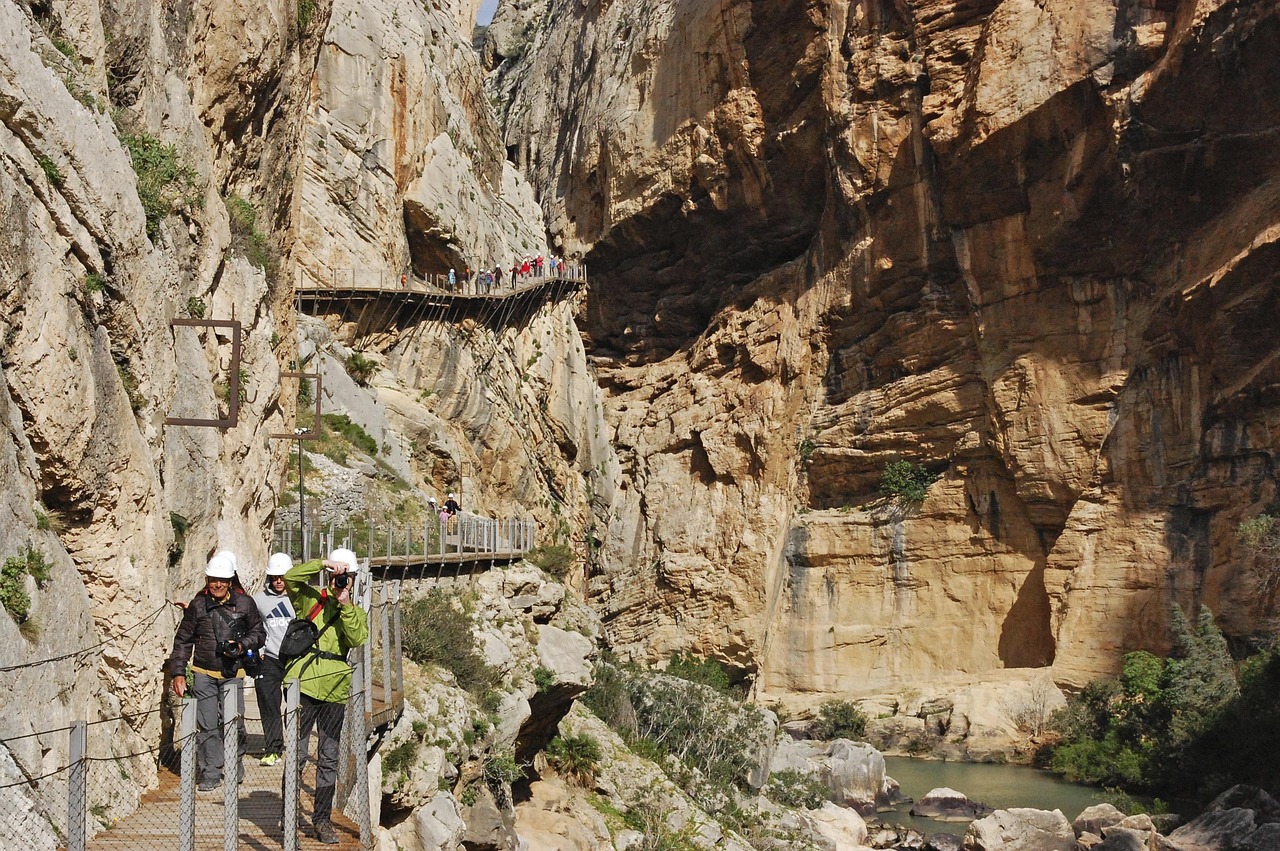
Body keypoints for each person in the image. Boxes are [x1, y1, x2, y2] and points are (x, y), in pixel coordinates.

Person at [283, 548, 368, 844]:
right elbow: (290, 578)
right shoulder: (312, 599)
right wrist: (323, 563)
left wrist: (344, 604)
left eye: (346, 577)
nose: (341, 581)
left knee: (329, 758)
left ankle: (321, 820)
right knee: (297, 752)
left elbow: (357, 639)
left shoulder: (354, 611)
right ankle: (287, 812)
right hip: (303, 685)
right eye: (337, 576)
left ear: (353, 580)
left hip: (335, 690)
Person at [165, 553, 265, 792]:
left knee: (235, 723)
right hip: (203, 672)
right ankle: (210, 771)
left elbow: (259, 633)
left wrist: (241, 646)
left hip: (233, 673)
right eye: (213, 580)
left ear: (230, 581)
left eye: (222, 580)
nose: (218, 584)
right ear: (207, 580)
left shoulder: (245, 604)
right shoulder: (198, 606)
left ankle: (235, 762)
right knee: (207, 723)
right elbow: (183, 641)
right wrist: (178, 673)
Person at [252, 553, 296, 767]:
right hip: (270, 657)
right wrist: (258, 648)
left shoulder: (300, 598)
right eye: (275, 576)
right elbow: (251, 625)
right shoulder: (259, 600)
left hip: (296, 658)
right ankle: (273, 749)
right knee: (268, 702)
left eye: (283, 576)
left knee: (297, 703)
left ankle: (298, 745)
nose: (279, 581)